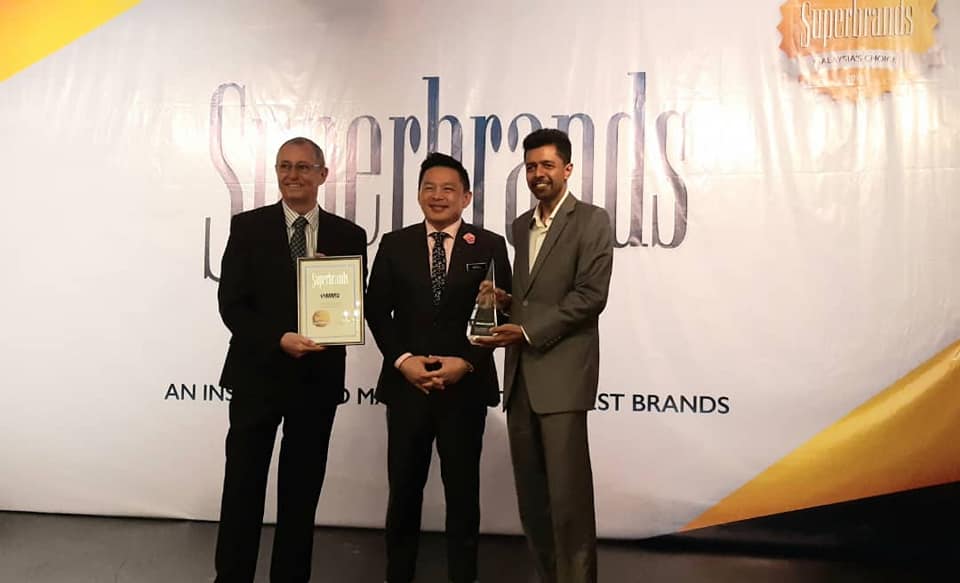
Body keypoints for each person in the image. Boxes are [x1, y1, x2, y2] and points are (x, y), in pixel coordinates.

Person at [214, 136, 368, 583]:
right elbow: (231, 305)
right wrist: (278, 338)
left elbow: (352, 307)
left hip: (316, 379)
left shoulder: (349, 235)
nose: (293, 175)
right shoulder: (247, 227)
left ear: (322, 174)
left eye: (303, 167)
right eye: (285, 166)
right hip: (256, 375)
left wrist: (332, 283)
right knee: (242, 487)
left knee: (301, 494)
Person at [474, 129, 613, 583]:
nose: (538, 174)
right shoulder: (520, 226)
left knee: (569, 502)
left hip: (563, 380)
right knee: (532, 501)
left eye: (547, 165)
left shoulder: (592, 220)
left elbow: (590, 296)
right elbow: (533, 298)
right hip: (520, 382)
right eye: (531, 166)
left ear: (567, 169)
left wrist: (528, 330)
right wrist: (504, 301)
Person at [365, 152, 511, 583]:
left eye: (448, 188)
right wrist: (403, 361)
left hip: (464, 388)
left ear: (466, 197)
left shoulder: (489, 245)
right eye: (429, 187)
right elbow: (377, 310)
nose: (438, 195)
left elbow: (501, 313)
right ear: (418, 195)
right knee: (403, 492)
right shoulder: (395, 244)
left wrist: (466, 362)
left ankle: (463, 575)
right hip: (407, 387)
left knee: (463, 494)